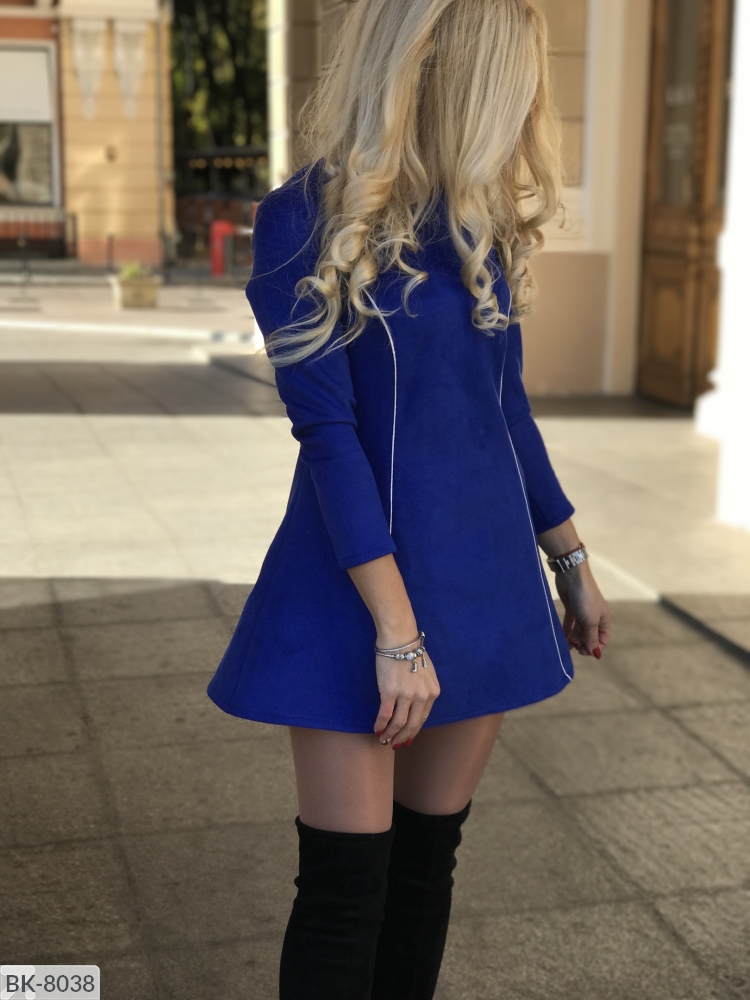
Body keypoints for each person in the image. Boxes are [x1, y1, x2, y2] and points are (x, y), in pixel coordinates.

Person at [207, 1, 611, 997]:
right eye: (512, 78)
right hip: (356, 594)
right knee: (346, 893)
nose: (527, 103)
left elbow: (504, 409)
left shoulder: (482, 223)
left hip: (482, 583)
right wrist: (395, 633)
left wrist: (568, 556)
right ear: (453, 74)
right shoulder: (302, 217)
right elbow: (328, 435)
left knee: (425, 874)